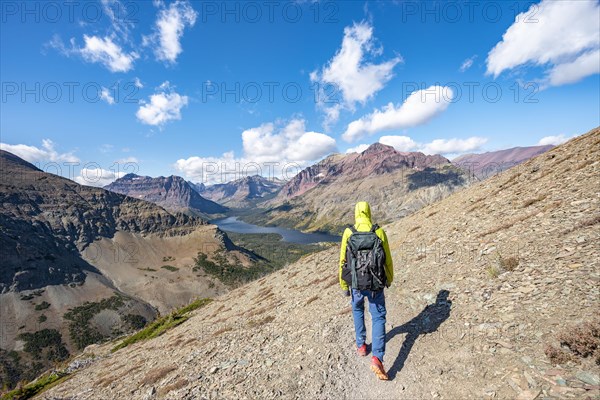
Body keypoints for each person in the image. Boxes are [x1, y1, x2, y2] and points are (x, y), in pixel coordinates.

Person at [339, 201, 393, 380]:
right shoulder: (378, 232)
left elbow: (342, 261)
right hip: (376, 284)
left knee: (357, 310)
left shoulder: (349, 232)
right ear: (369, 212)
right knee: (378, 317)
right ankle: (377, 357)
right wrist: (389, 278)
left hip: (356, 284)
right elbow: (387, 260)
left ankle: (361, 345)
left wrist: (344, 285)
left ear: (356, 213)